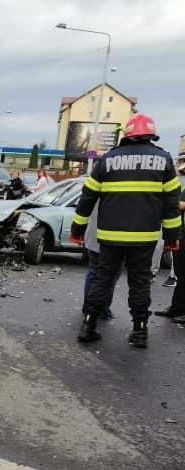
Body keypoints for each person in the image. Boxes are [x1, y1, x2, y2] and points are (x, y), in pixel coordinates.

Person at [71, 113, 182, 348]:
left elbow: (87, 197)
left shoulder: (108, 159)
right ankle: (140, 332)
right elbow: (171, 206)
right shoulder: (164, 160)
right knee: (140, 284)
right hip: (145, 238)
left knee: (102, 279)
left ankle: (88, 326)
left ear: (127, 134)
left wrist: (77, 229)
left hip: (110, 236)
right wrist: (173, 239)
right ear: (151, 135)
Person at [154, 164, 185, 322]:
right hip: (181, 232)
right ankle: (176, 309)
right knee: (180, 273)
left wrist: (167, 202)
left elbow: (181, 204)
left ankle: (181, 311)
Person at [82, 201, 119, 320]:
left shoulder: (96, 183)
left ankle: (88, 307)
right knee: (111, 276)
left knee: (93, 272)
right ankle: (103, 309)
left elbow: (83, 206)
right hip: (114, 238)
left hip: (94, 235)